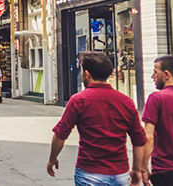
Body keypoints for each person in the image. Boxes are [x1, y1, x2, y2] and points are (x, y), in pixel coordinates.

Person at [47, 51, 146, 185]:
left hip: (89, 172)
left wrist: (52, 158)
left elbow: (61, 133)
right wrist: (136, 170)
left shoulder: (79, 100)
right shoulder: (126, 101)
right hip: (119, 174)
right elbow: (139, 139)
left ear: (87, 74)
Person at [141, 55, 173, 186]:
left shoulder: (157, 98)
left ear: (166, 74)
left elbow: (148, 137)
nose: (152, 77)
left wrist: (142, 168)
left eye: (155, 72)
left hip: (166, 171)